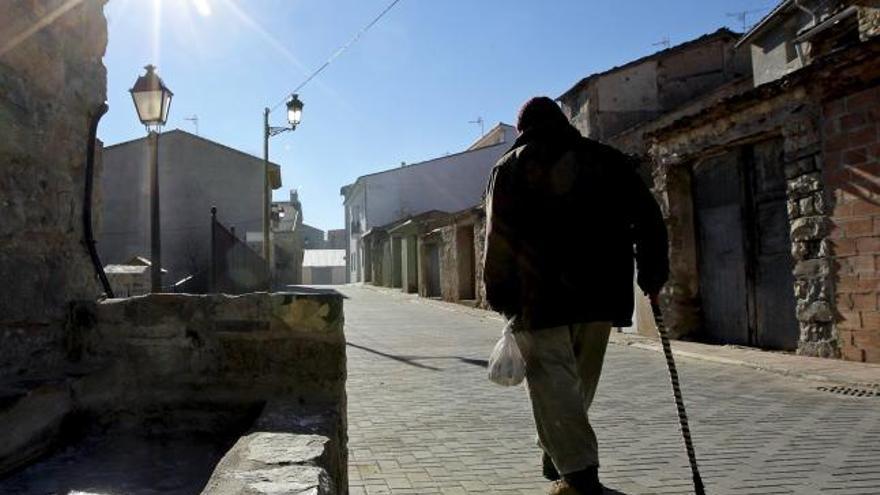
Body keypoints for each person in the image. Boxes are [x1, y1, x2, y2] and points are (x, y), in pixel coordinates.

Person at [483, 96, 669, 495]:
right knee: (576, 387)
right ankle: (561, 460)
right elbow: (649, 216)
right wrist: (653, 273)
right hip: (600, 298)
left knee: (556, 388)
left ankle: (582, 479)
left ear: (522, 130)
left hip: (540, 300)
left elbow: (498, 237)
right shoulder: (608, 160)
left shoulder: (511, 167)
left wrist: (500, 297)